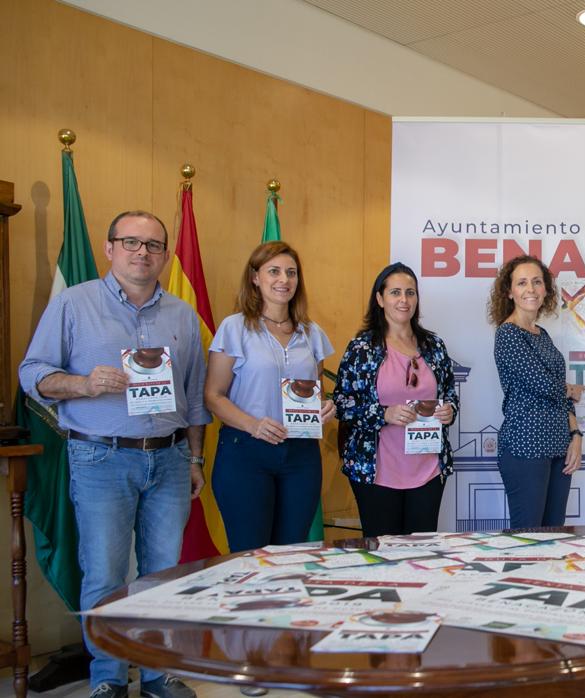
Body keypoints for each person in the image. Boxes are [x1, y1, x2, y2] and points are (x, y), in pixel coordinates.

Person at [18, 210, 207, 698]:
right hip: (101, 459)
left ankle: (157, 674)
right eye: (131, 242)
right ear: (109, 248)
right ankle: (107, 679)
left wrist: (194, 459)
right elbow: (31, 372)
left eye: (153, 245)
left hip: (168, 461)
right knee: (103, 573)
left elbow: (195, 397)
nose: (142, 252)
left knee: (163, 575)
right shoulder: (74, 305)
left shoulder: (183, 316)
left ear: (165, 255)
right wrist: (81, 384)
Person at [204, 241, 335, 551]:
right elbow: (213, 395)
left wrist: (322, 408)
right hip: (246, 453)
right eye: (274, 271)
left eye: (291, 273)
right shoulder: (234, 328)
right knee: (250, 555)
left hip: (301, 455)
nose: (284, 280)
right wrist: (252, 425)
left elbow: (312, 391)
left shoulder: (311, 333)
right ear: (255, 277)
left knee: (290, 555)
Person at [334, 263, 459, 537]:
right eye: (395, 292)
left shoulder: (434, 346)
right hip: (377, 472)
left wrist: (449, 410)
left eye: (410, 293)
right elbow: (342, 403)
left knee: (423, 555)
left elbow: (449, 392)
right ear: (380, 299)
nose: (404, 300)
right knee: (383, 557)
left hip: (428, 469)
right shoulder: (362, 348)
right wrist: (384, 414)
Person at [488, 255, 584, 528]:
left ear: (545, 289)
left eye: (536, 282)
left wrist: (575, 434)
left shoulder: (542, 334)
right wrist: (570, 389)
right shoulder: (507, 334)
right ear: (509, 291)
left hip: (558, 445)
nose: (530, 289)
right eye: (521, 282)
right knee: (528, 539)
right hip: (525, 447)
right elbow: (543, 384)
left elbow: (558, 392)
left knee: (555, 536)